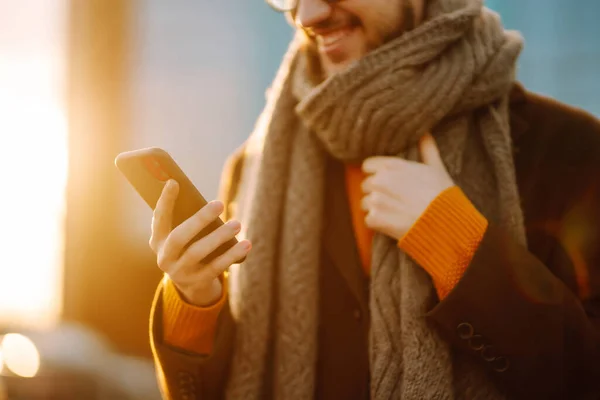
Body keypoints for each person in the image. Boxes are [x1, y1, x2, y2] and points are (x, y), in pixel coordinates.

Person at [148, 0, 600, 399]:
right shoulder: (254, 167)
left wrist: (456, 245)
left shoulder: (571, 150)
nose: (308, 15)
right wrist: (194, 302)